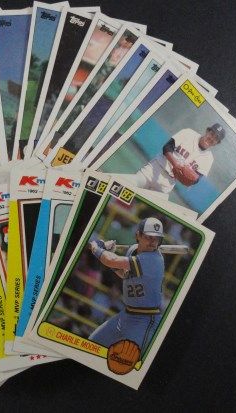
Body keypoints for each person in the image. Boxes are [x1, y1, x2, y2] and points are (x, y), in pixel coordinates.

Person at [87, 217, 165, 353]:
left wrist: (97, 247)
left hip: (146, 320)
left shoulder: (153, 260)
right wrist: (107, 252)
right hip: (127, 314)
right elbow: (124, 274)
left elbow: (110, 260)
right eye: (149, 237)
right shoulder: (134, 251)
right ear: (138, 235)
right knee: (92, 343)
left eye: (156, 238)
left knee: (125, 360)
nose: (153, 242)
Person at [118, 123, 225, 194]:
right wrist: (175, 164)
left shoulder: (208, 159)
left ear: (217, 143)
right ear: (207, 131)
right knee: (124, 186)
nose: (211, 138)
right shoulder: (189, 133)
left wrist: (188, 178)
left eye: (216, 138)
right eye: (212, 133)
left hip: (167, 184)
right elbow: (167, 147)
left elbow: (196, 179)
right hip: (154, 170)